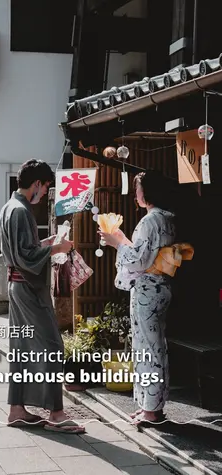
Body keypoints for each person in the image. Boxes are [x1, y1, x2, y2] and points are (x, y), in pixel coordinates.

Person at [0, 159, 85, 434]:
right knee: (51, 345)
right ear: (36, 184)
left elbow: (23, 252)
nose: (46, 192)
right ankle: (56, 414)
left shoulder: (8, 208)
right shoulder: (21, 212)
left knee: (22, 348)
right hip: (28, 288)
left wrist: (46, 244)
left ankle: (17, 409)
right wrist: (58, 246)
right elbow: (26, 257)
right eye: (46, 187)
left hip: (18, 286)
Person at [99, 170, 181, 425]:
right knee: (153, 346)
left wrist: (116, 244)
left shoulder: (150, 221)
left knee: (149, 348)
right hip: (160, 287)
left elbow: (138, 260)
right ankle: (149, 404)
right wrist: (122, 239)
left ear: (147, 192)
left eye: (138, 190)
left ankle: (152, 410)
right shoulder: (167, 218)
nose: (136, 195)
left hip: (148, 289)